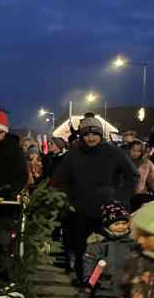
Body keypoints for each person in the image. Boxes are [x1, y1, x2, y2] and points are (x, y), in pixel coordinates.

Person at [54, 117, 139, 286]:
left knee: (108, 250)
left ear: (100, 134)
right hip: (80, 210)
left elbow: (132, 176)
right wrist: (68, 202)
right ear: (81, 136)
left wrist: (118, 199)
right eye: (86, 134)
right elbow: (61, 182)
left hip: (108, 212)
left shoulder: (114, 153)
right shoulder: (72, 155)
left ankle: (105, 285)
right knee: (82, 250)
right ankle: (84, 281)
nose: (91, 138)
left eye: (94, 134)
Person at [82, 200, 133, 298]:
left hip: (125, 287)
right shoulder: (99, 243)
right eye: (116, 223)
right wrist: (88, 277)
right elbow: (89, 260)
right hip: (105, 287)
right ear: (107, 224)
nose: (121, 227)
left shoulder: (132, 243)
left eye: (124, 223)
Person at [124, 140, 154, 211]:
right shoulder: (123, 161)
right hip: (124, 196)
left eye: (139, 151)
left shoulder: (147, 163)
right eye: (133, 150)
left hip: (140, 196)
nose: (136, 153)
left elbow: (153, 178)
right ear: (129, 150)